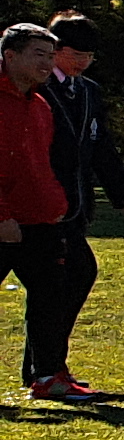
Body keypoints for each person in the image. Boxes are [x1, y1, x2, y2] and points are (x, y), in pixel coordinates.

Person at [25, 12, 124, 402]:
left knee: (71, 278)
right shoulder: (37, 89)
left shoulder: (88, 91)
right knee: (60, 281)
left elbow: (101, 149)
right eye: (73, 54)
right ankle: (45, 369)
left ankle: (48, 366)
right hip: (36, 206)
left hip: (72, 206)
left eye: (88, 56)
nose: (80, 62)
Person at [0, 29, 67, 389]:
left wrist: (55, 202)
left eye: (51, 56)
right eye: (38, 54)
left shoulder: (41, 106)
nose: (47, 64)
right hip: (6, 220)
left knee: (50, 298)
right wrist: (1, 216)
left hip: (39, 220)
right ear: (10, 56)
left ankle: (47, 375)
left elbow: (39, 163)